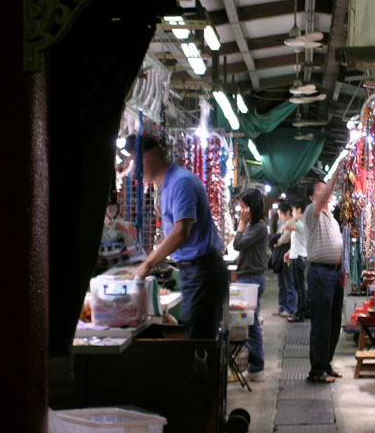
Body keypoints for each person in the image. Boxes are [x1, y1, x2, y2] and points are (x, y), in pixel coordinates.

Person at [130, 134, 229, 339]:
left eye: (135, 159)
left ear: (151, 156)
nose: (134, 168)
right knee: (196, 337)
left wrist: (147, 265)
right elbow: (172, 235)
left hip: (203, 272)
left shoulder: (180, 182)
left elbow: (180, 233)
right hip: (195, 271)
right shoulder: (168, 186)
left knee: (199, 344)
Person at [304, 164, 346, 383]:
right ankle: (317, 370)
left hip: (334, 274)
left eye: (327, 189)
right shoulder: (313, 212)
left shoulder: (332, 217)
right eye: (320, 191)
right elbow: (324, 198)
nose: (326, 193)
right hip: (320, 274)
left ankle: (326, 365)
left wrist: (344, 269)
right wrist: (337, 173)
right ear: (312, 198)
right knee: (321, 323)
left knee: (334, 323)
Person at [232, 188, 268, 382]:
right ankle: (256, 366)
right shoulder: (254, 226)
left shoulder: (259, 227)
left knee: (251, 324)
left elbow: (238, 244)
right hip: (249, 277)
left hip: (252, 279)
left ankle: (257, 367)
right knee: (250, 323)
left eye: (243, 206)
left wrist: (240, 224)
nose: (241, 210)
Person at [283, 198, 308, 322]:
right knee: (298, 286)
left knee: (300, 287)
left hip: (299, 258)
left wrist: (297, 216)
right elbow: (298, 241)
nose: (292, 212)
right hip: (295, 256)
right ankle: (300, 311)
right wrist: (289, 252)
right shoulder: (299, 223)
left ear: (298, 210)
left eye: (293, 210)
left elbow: (287, 225)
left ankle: (300, 313)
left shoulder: (301, 223)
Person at [95, 202, 137, 274]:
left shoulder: (124, 226)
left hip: (120, 267)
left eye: (114, 209)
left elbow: (132, 251)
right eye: (110, 209)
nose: (112, 210)